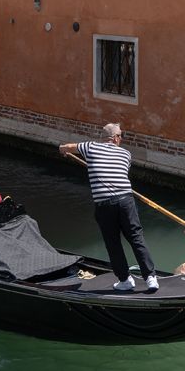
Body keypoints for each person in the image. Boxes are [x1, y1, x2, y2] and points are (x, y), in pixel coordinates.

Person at [58, 123, 158, 292]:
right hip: (126, 200)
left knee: (113, 243)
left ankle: (125, 280)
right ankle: (151, 278)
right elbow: (120, 173)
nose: (121, 139)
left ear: (104, 138)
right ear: (116, 138)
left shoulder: (90, 147)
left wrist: (62, 150)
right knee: (136, 238)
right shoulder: (126, 154)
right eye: (121, 136)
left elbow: (68, 147)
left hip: (104, 204)